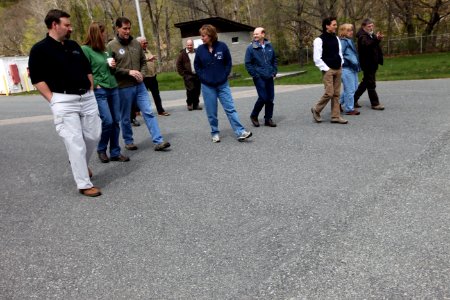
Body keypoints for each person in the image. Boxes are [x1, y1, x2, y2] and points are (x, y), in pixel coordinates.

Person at [28, 9, 102, 197]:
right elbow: (37, 78)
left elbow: (87, 69)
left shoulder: (73, 45)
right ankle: (84, 184)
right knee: (75, 141)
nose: (71, 28)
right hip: (63, 100)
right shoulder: (39, 49)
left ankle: (80, 164)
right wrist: (52, 100)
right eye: (67, 25)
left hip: (86, 97)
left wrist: (90, 88)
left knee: (94, 135)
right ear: (54, 25)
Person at [107, 17, 170, 151]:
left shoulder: (136, 43)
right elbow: (110, 68)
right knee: (125, 117)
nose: (127, 31)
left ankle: (158, 141)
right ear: (117, 28)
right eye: (125, 28)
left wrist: (142, 73)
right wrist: (128, 72)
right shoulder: (111, 46)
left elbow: (143, 62)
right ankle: (129, 141)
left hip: (139, 85)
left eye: (129, 28)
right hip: (123, 86)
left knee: (148, 111)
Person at [194, 24, 252, 143]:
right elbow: (197, 66)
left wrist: (224, 75)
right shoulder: (200, 50)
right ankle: (215, 132)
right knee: (212, 112)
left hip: (223, 84)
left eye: (203, 35)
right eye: (201, 36)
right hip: (207, 86)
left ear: (210, 35)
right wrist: (203, 78)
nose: (202, 38)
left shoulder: (222, 46)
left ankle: (240, 131)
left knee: (230, 109)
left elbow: (228, 63)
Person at [81, 22, 130, 163]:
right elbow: (84, 71)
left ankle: (115, 152)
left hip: (113, 87)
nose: (105, 35)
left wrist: (113, 66)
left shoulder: (106, 50)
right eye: (103, 33)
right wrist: (94, 85)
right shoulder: (85, 50)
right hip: (99, 89)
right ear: (97, 33)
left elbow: (111, 70)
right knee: (107, 121)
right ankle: (101, 149)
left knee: (116, 121)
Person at [311, 17, 348, 124]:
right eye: (334, 25)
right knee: (329, 93)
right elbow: (317, 58)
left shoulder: (336, 38)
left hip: (338, 68)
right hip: (328, 70)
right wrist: (326, 69)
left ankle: (335, 116)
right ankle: (316, 109)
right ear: (327, 26)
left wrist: (341, 63)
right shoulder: (319, 40)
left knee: (336, 94)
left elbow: (339, 53)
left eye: (336, 25)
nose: (336, 27)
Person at [245, 27, 278, 127]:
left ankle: (268, 119)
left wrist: (274, 71)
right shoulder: (251, 48)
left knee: (270, 98)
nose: (255, 36)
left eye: (257, 34)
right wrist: (255, 75)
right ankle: (254, 115)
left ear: (263, 35)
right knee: (263, 98)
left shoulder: (269, 46)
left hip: (269, 76)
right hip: (259, 77)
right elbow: (248, 63)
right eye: (254, 34)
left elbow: (274, 60)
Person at [354, 18, 385, 110]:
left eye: (372, 26)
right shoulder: (362, 36)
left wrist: (377, 39)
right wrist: (377, 39)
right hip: (367, 63)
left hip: (372, 63)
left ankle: (353, 99)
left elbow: (374, 45)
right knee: (371, 83)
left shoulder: (370, 35)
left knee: (366, 82)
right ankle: (375, 103)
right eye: (369, 26)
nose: (371, 28)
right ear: (363, 27)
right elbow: (367, 45)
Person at [136, 36, 170, 116]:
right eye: (144, 43)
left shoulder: (147, 50)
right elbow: (138, 62)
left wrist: (152, 59)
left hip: (152, 76)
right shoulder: (137, 52)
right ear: (139, 44)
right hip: (144, 77)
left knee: (156, 94)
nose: (146, 44)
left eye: (146, 42)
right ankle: (137, 110)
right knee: (141, 95)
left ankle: (160, 110)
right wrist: (149, 59)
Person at [338, 23, 361, 115]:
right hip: (346, 68)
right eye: (348, 30)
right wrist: (344, 63)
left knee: (354, 88)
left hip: (352, 68)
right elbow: (340, 55)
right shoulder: (343, 41)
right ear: (343, 31)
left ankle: (338, 103)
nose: (351, 32)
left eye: (351, 30)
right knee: (350, 90)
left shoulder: (349, 40)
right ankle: (349, 109)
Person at [176, 39, 202, 111]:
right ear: (186, 45)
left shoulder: (197, 52)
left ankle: (196, 104)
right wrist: (183, 74)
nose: (189, 46)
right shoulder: (182, 54)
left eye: (191, 45)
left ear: (193, 45)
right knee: (190, 89)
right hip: (188, 75)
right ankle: (189, 104)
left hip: (197, 75)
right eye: (188, 45)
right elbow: (178, 64)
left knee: (197, 90)